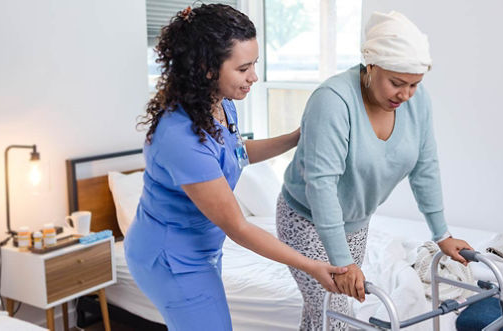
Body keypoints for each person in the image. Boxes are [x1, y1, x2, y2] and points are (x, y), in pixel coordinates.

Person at [124, 5, 346, 330]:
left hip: (203, 248)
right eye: (244, 68)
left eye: (254, 64)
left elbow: (237, 153)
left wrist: (297, 137)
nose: (254, 76)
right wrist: (312, 266)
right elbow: (239, 227)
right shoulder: (180, 136)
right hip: (170, 257)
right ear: (207, 68)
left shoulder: (220, 104)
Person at [276, 11, 475, 330]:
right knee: (338, 317)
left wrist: (442, 234)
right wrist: (343, 261)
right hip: (307, 221)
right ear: (371, 65)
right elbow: (322, 185)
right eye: (397, 83)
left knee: (321, 315)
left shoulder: (416, 101)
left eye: (414, 84)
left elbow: (425, 167)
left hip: (357, 223)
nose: (406, 94)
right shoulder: (333, 101)